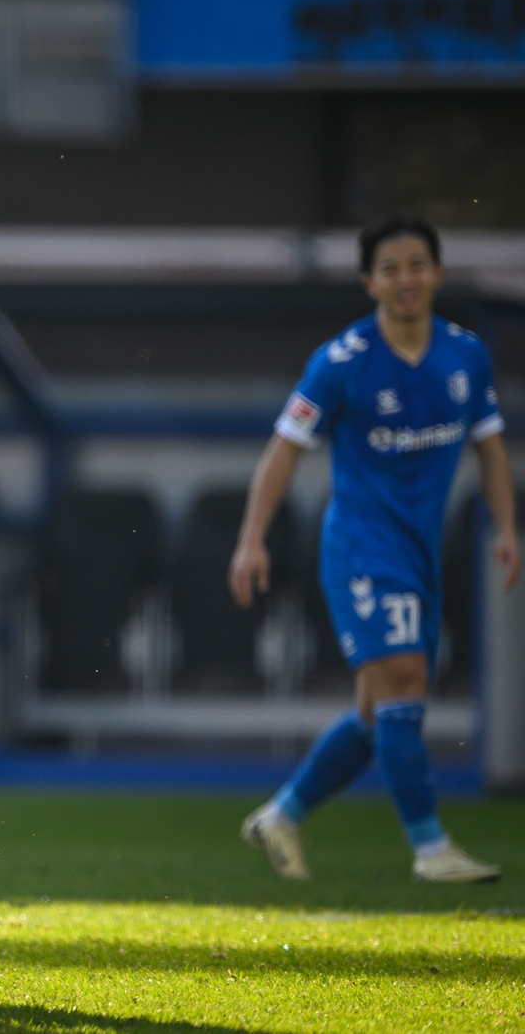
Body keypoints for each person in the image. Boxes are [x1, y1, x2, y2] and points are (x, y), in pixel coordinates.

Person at [231, 215, 513, 884]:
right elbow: (283, 449)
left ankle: (281, 815)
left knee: (375, 708)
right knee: (407, 682)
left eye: (417, 265)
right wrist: (250, 538)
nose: (405, 279)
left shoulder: (465, 356)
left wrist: (506, 527)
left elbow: (491, 445)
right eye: (390, 268)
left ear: (437, 273)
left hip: (420, 552)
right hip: (362, 548)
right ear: (369, 282)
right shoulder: (341, 363)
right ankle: (430, 847)